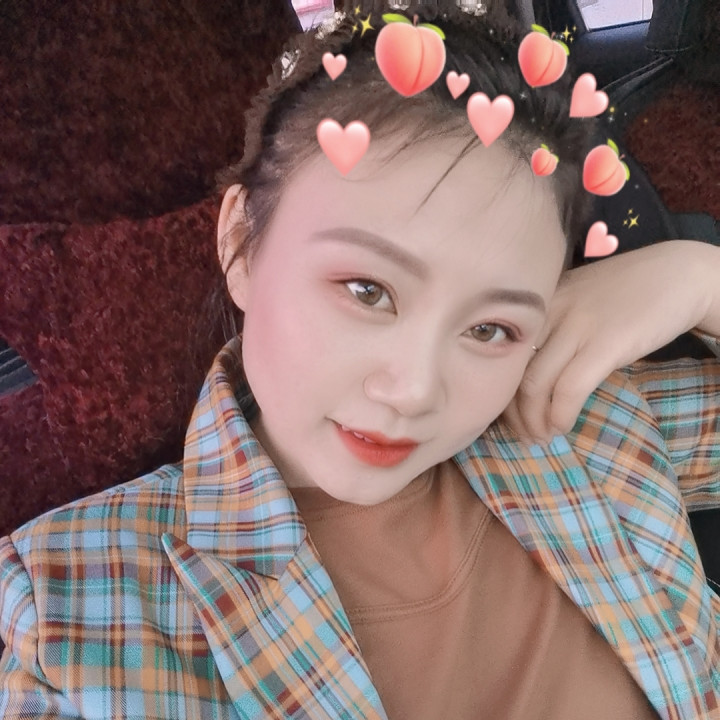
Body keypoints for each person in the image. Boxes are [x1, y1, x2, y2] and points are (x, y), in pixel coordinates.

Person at [1, 5, 719, 719]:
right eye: (367, 291)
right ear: (242, 244)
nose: (414, 391)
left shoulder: (585, 419)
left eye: (491, 328)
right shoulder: (65, 606)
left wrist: (699, 280)